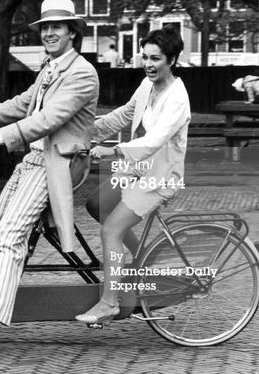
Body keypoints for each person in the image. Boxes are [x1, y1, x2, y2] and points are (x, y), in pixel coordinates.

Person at [0, 0, 99, 345]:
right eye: (45, 28)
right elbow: (23, 105)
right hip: (37, 160)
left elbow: (47, 119)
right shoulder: (51, 68)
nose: (49, 33)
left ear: (72, 32)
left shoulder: (82, 73)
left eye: (57, 27)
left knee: (11, 235)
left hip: (59, 164)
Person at [75, 25, 191, 325]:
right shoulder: (147, 85)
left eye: (155, 59)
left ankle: (109, 303)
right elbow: (126, 113)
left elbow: (154, 142)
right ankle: (143, 260)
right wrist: (88, 131)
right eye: (144, 58)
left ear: (172, 60)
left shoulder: (177, 98)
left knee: (111, 231)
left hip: (159, 178)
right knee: (96, 206)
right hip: (138, 169)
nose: (148, 64)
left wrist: (112, 151)